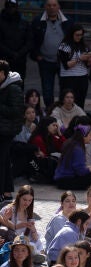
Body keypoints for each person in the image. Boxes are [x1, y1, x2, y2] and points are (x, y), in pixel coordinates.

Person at [30, 0, 73, 107]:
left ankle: (63, 110)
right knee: (47, 89)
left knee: (65, 89)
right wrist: (36, 55)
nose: (51, 7)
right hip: (45, 61)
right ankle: (50, 111)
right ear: (45, 6)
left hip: (63, 62)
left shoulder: (68, 21)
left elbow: (74, 40)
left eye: (54, 5)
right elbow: (31, 40)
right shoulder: (37, 21)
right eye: (49, 5)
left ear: (59, 6)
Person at [53, 124, 91, 190]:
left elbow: (77, 168)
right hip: (67, 181)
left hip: (61, 180)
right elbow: (81, 172)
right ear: (84, 136)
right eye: (90, 135)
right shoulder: (78, 149)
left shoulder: (71, 144)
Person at [0, 59, 24, 202]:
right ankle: (7, 191)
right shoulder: (2, 86)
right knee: (5, 160)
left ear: (2, 73)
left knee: (1, 162)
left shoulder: (13, 88)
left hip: (6, 131)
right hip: (2, 129)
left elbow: (16, 111)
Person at [57, 24, 91, 108]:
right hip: (68, 78)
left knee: (80, 102)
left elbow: (88, 65)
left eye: (81, 35)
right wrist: (79, 58)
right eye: (77, 35)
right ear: (71, 34)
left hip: (82, 77)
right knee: (67, 102)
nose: (79, 37)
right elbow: (66, 65)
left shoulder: (84, 46)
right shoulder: (64, 46)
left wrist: (89, 60)